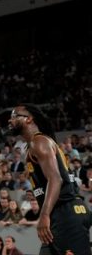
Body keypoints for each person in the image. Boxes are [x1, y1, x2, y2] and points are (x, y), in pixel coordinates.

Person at [8, 104, 92, 255]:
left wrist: (44, 215)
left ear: (29, 119)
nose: (10, 120)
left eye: (14, 116)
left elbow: (55, 179)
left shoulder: (38, 142)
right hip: (62, 214)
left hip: (66, 213)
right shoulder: (36, 144)